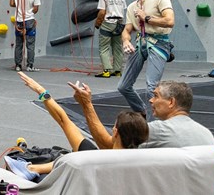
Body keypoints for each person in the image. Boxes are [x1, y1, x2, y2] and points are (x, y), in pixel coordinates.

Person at [11, 72, 147, 180]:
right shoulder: (143, 168)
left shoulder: (90, 157)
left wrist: (41, 91)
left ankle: (29, 168)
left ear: (115, 132)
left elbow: (64, 120)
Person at [71, 79, 214, 148]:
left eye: (156, 96)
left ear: (171, 102)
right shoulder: (207, 134)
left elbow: (108, 146)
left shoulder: (159, 130)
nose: (151, 100)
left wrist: (86, 104)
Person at [119, 0, 174, 118]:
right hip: (140, 43)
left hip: (158, 43)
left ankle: (152, 124)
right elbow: (127, 29)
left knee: (151, 88)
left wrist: (147, 18)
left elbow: (170, 21)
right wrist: (125, 41)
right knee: (123, 86)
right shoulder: (132, 6)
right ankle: (143, 111)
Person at [94, 0, 126, 77]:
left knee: (104, 47)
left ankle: (107, 71)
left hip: (108, 23)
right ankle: (117, 71)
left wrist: (97, 23)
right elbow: (123, 9)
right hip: (119, 23)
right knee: (117, 47)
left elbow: (102, 12)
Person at [9, 0, 40, 72]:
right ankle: (30, 66)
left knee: (19, 44)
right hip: (30, 21)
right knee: (30, 45)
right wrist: (29, 10)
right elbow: (36, 9)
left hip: (19, 21)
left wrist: (19, 6)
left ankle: (18, 65)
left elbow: (11, 3)